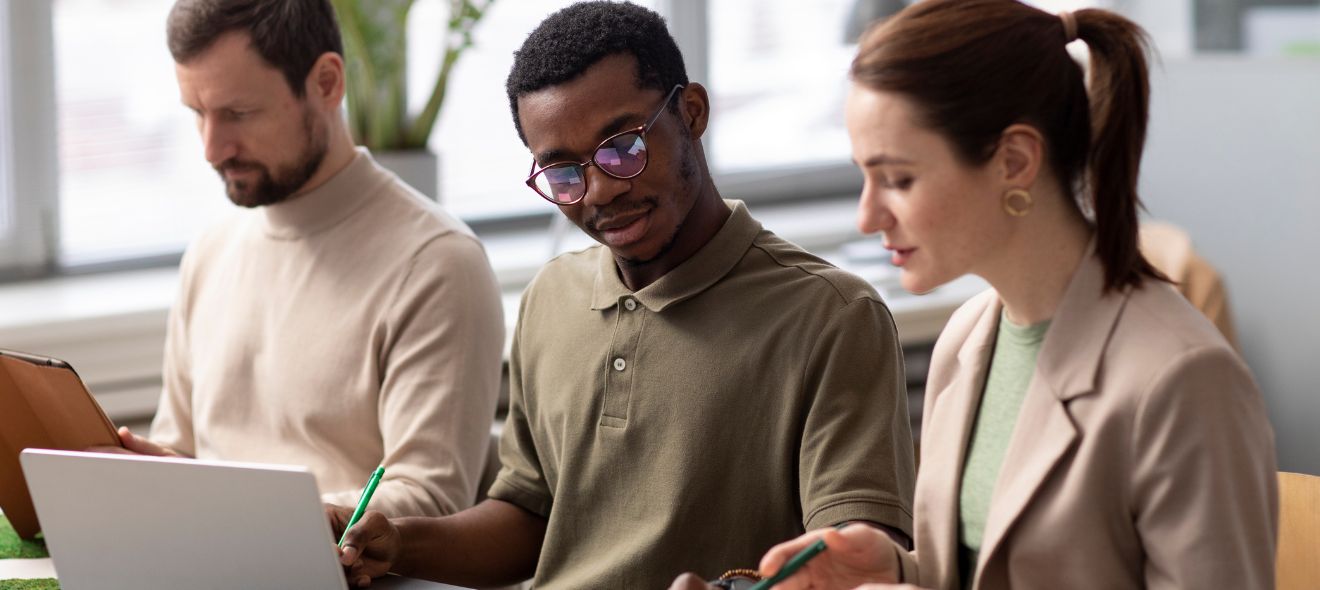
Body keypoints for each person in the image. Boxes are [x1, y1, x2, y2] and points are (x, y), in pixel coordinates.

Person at [676, 2, 1276, 589]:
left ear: (1014, 161)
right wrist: (895, 569)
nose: (867, 216)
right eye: (864, 175)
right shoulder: (966, 341)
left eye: (899, 179)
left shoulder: (1185, 381)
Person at [332, 3, 916, 588]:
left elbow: (850, 564)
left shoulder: (833, 317)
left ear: (691, 114)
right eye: (563, 173)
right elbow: (533, 520)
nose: (601, 190)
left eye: (623, 147)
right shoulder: (551, 298)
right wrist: (401, 542)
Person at [111, 0, 505, 518]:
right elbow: (182, 456)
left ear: (325, 83)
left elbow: (429, 500)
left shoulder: (437, 265)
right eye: (198, 114)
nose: (212, 148)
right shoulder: (210, 254)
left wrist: (251, 520)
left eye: (238, 113)